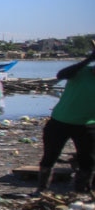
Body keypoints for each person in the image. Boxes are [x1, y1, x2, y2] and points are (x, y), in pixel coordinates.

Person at [36, 46, 95, 193]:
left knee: (87, 162)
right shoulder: (80, 72)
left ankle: (81, 192)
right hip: (59, 121)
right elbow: (60, 74)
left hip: (87, 126)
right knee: (50, 156)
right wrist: (88, 59)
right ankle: (41, 190)